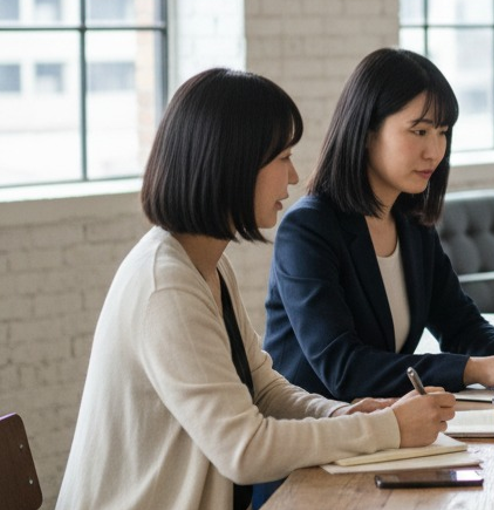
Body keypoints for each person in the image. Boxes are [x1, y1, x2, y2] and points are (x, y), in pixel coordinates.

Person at [56, 68, 456, 510]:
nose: (293, 175)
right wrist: (390, 429)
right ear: (234, 163)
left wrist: (346, 413)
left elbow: (263, 390)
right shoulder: (166, 287)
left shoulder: (206, 265)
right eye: (282, 157)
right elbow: (244, 450)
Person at [262, 48, 494, 402]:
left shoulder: (411, 224)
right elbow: (344, 369)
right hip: (314, 435)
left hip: (381, 427)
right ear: (366, 132)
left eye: (442, 132)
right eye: (420, 131)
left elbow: (462, 327)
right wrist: (478, 368)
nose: (434, 151)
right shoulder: (307, 230)